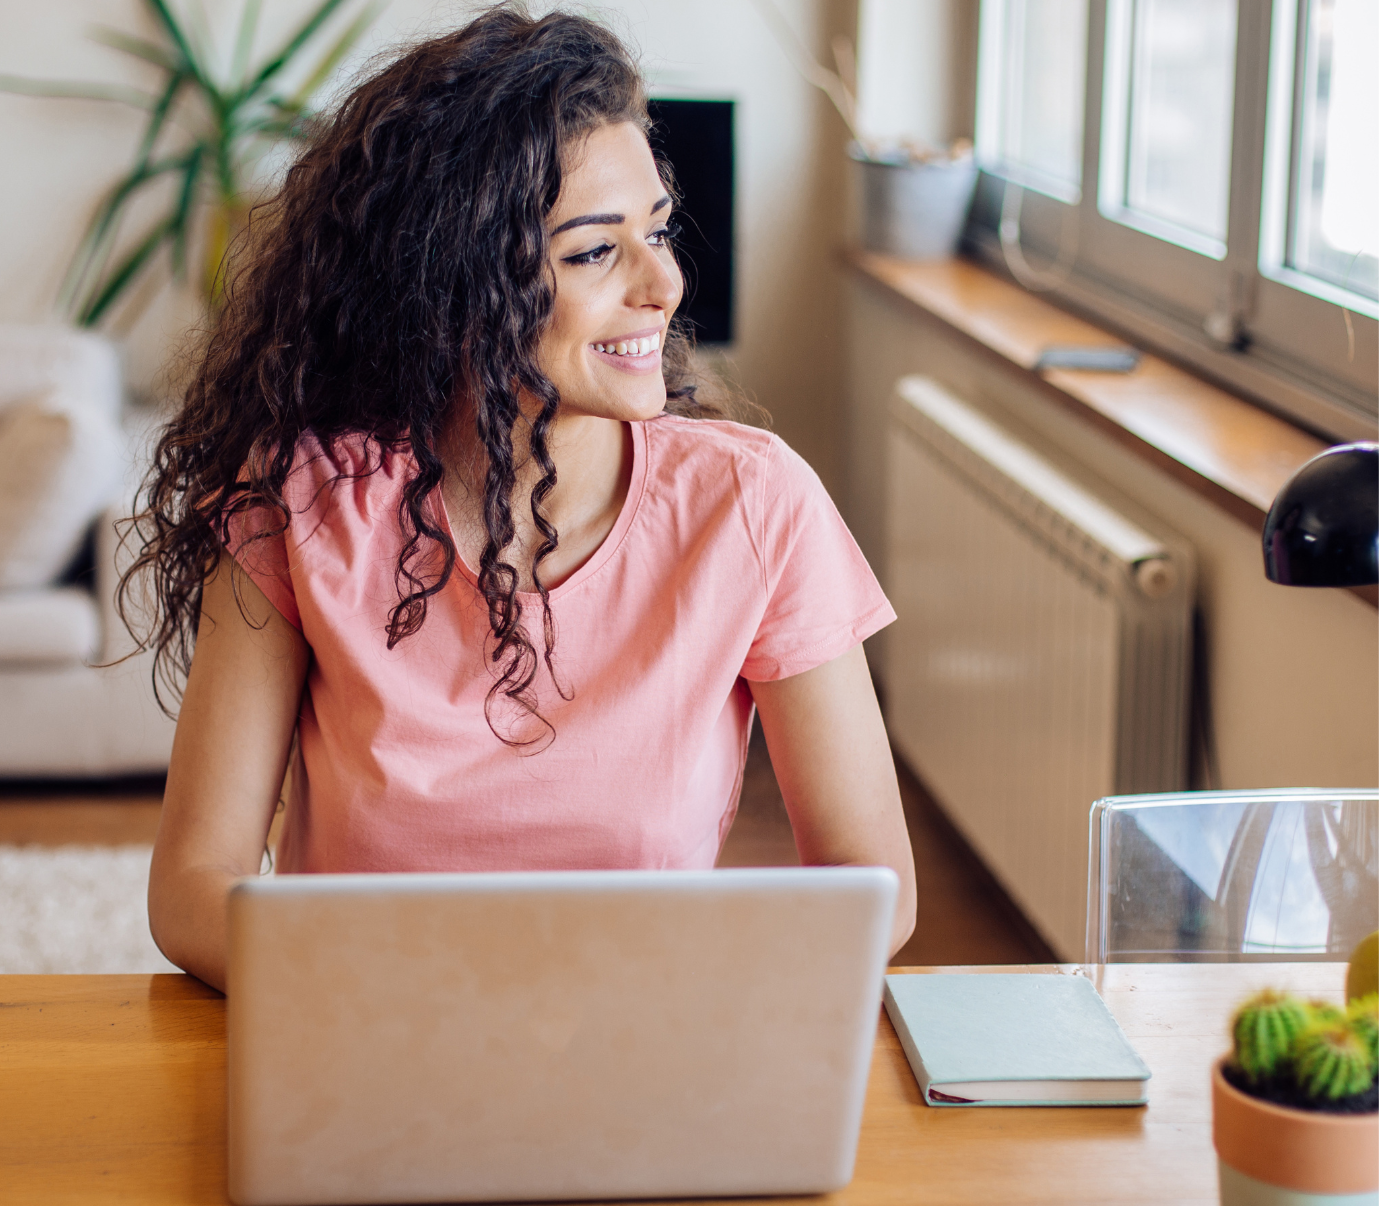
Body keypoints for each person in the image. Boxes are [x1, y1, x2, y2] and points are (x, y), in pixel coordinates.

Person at [130, 6, 916, 990]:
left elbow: (873, 888)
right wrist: (420, 987)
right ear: (453, 279)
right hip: (368, 1036)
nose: (664, 282)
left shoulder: (754, 506)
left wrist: (679, 987)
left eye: (657, 231)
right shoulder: (302, 502)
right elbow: (191, 888)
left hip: (637, 1037)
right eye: (593, 252)